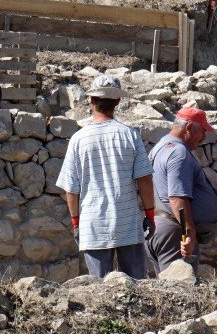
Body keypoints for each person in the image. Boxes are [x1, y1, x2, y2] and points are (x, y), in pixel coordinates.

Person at [57, 75, 156, 278]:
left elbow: (71, 189)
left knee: (99, 292)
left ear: (92, 101)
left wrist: (76, 223)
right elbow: (144, 179)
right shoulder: (130, 135)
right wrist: (150, 215)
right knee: (136, 286)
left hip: (94, 227)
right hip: (127, 223)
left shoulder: (78, 139)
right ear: (118, 101)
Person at [147, 107, 217, 272]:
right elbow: (177, 197)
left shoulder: (161, 147)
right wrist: (188, 233)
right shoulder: (178, 153)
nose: (203, 137)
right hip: (175, 234)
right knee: (179, 288)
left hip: (163, 227)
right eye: (202, 131)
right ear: (188, 128)